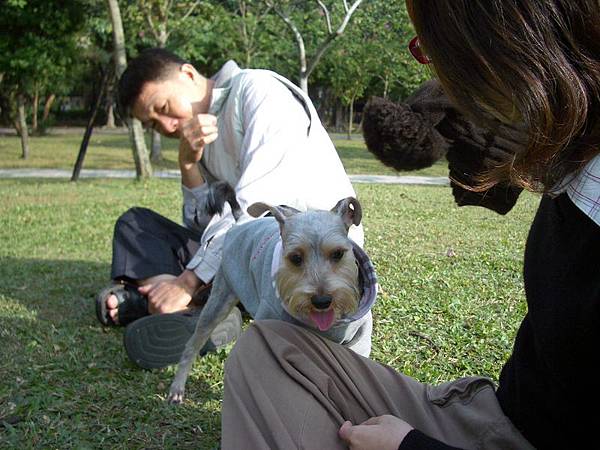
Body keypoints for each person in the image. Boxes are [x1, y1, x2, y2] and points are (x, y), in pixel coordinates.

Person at [220, 1, 600, 449]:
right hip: (496, 416)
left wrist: (411, 446)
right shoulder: (575, 175)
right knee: (266, 349)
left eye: (436, 53)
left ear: (509, 50)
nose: (441, 84)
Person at [95, 48, 364, 366]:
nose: (167, 126)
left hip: (299, 256)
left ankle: (176, 303)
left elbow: (249, 211)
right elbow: (204, 228)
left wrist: (187, 281)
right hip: (244, 253)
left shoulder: (259, 91)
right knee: (135, 223)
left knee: (218, 260)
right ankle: (190, 308)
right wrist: (188, 166)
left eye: (164, 108)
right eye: (153, 125)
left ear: (188, 74)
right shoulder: (200, 137)